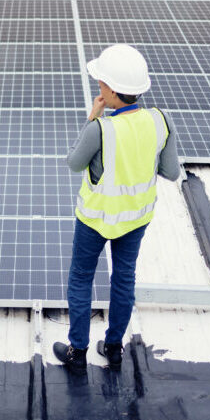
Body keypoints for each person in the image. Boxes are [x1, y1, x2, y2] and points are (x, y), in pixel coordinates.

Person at [53, 44, 180, 373]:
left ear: (110, 90)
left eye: (100, 84)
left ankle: (77, 351)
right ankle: (113, 348)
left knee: (81, 279)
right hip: (136, 219)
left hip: (95, 221)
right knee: (124, 280)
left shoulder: (101, 129)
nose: (99, 88)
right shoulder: (160, 120)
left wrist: (91, 119)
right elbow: (170, 172)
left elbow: (73, 163)